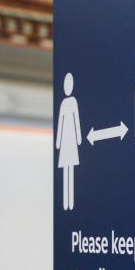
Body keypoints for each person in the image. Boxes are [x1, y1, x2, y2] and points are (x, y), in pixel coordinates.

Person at [56, 72, 82, 211]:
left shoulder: (72, 102)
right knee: (67, 170)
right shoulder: (65, 103)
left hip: (70, 142)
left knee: (70, 170)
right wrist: (58, 142)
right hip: (67, 142)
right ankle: (67, 203)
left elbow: (76, 121)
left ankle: (70, 202)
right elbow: (60, 123)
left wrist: (78, 138)